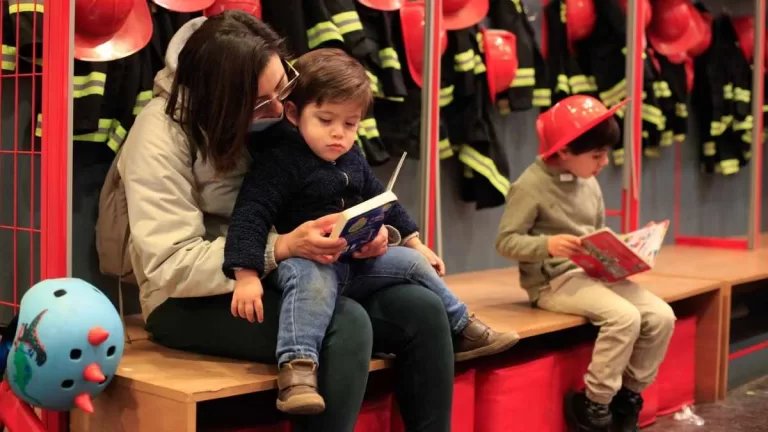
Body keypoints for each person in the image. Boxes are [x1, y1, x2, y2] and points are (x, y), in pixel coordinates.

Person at [119, 12, 457, 432]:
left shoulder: (282, 114)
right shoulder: (158, 135)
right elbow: (167, 264)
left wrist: (375, 235)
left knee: (423, 309)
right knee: (345, 325)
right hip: (191, 294)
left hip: (301, 271)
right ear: (223, 99)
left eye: (284, 86)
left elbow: (340, 190)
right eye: (262, 100)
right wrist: (280, 247)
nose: (280, 108)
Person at [223, 48, 521, 415]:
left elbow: (385, 200)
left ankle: (463, 328)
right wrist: (247, 274)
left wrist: (413, 241)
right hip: (307, 261)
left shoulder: (352, 158)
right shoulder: (280, 161)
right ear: (294, 113)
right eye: (325, 120)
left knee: (413, 264)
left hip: (355, 262)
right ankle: (297, 371)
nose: (338, 134)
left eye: (349, 125)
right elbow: (250, 214)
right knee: (310, 282)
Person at [494, 95, 677, 432]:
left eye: (605, 153)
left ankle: (629, 396)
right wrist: (548, 245)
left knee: (662, 315)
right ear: (563, 152)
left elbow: (595, 234)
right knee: (624, 318)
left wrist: (626, 250)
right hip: (552, 283)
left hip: (594, 274)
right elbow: (505, 242)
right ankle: (595, 404)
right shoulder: (530, 186)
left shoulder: (589, 182)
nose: (604, 162)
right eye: (597, 155)